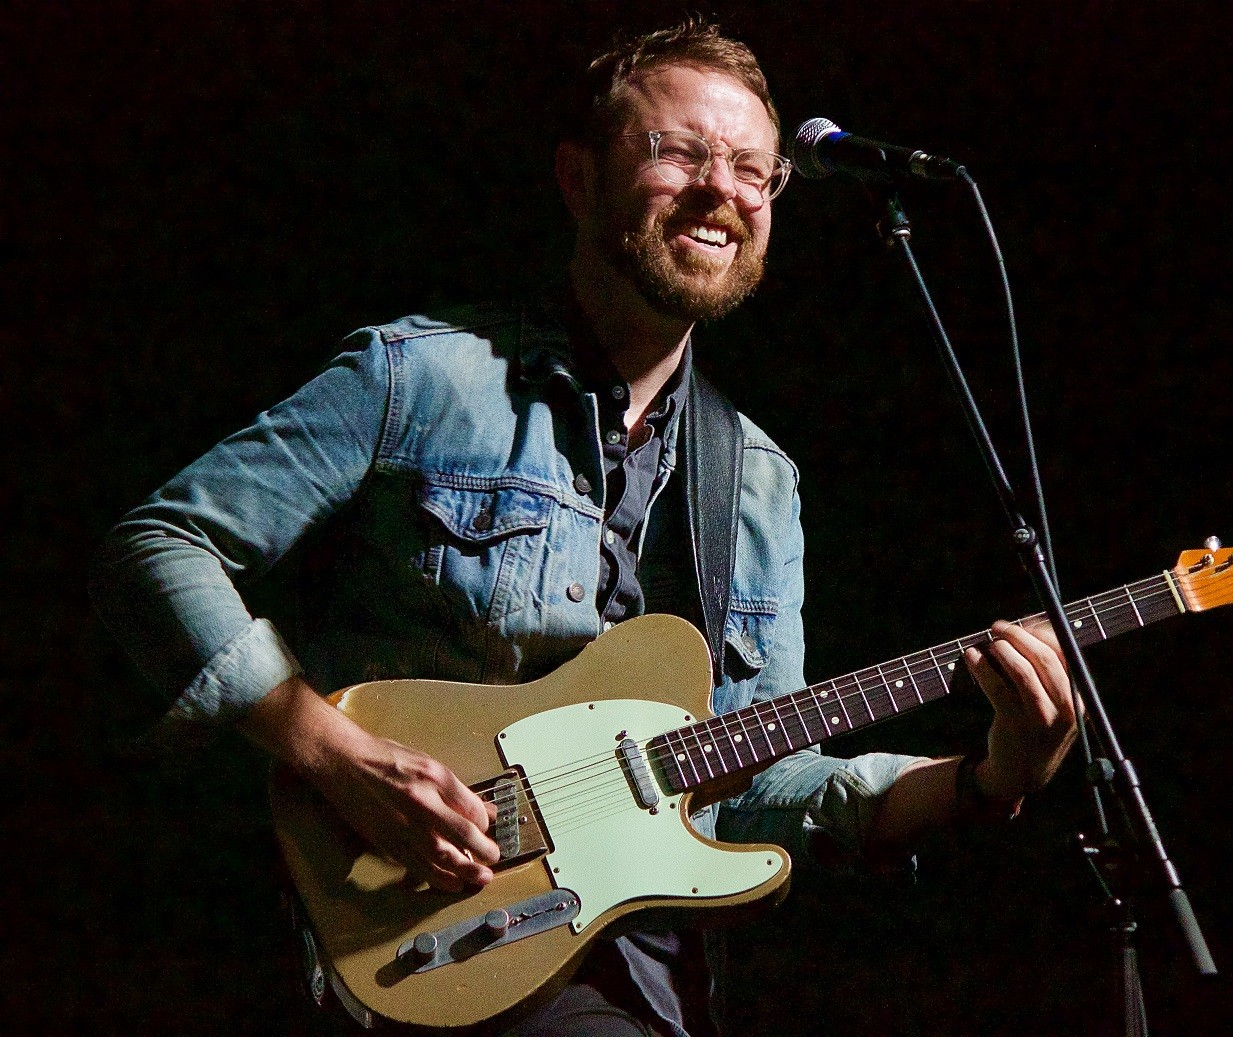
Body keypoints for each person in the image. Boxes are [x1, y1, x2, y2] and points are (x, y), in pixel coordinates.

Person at [91, 21, 1080, 1037]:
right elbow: (158, 547)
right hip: (406, 925)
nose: (721, 190)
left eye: (752, 170)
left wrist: (988, 775)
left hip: (636, 979)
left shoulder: (755, 479)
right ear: (577, 175)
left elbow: (758, 779)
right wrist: (335, 753)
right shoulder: (424, 377)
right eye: (677, 153)